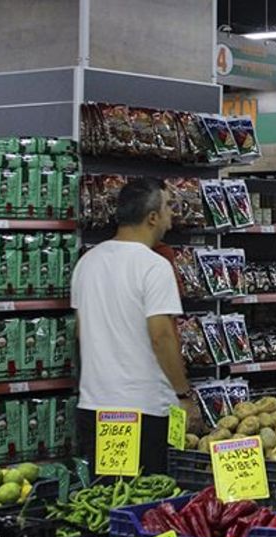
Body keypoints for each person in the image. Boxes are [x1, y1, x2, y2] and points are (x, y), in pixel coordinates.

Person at [70, 177, 199, 474]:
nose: (172, 215)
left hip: (96, 408)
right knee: (146, 501)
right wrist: (182, 395)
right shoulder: (154, 266)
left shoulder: (88, 262)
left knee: (108, 497)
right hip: (144, 410)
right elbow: (162, 336)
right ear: (152, 218)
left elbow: (80, 332)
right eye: (168, 207)